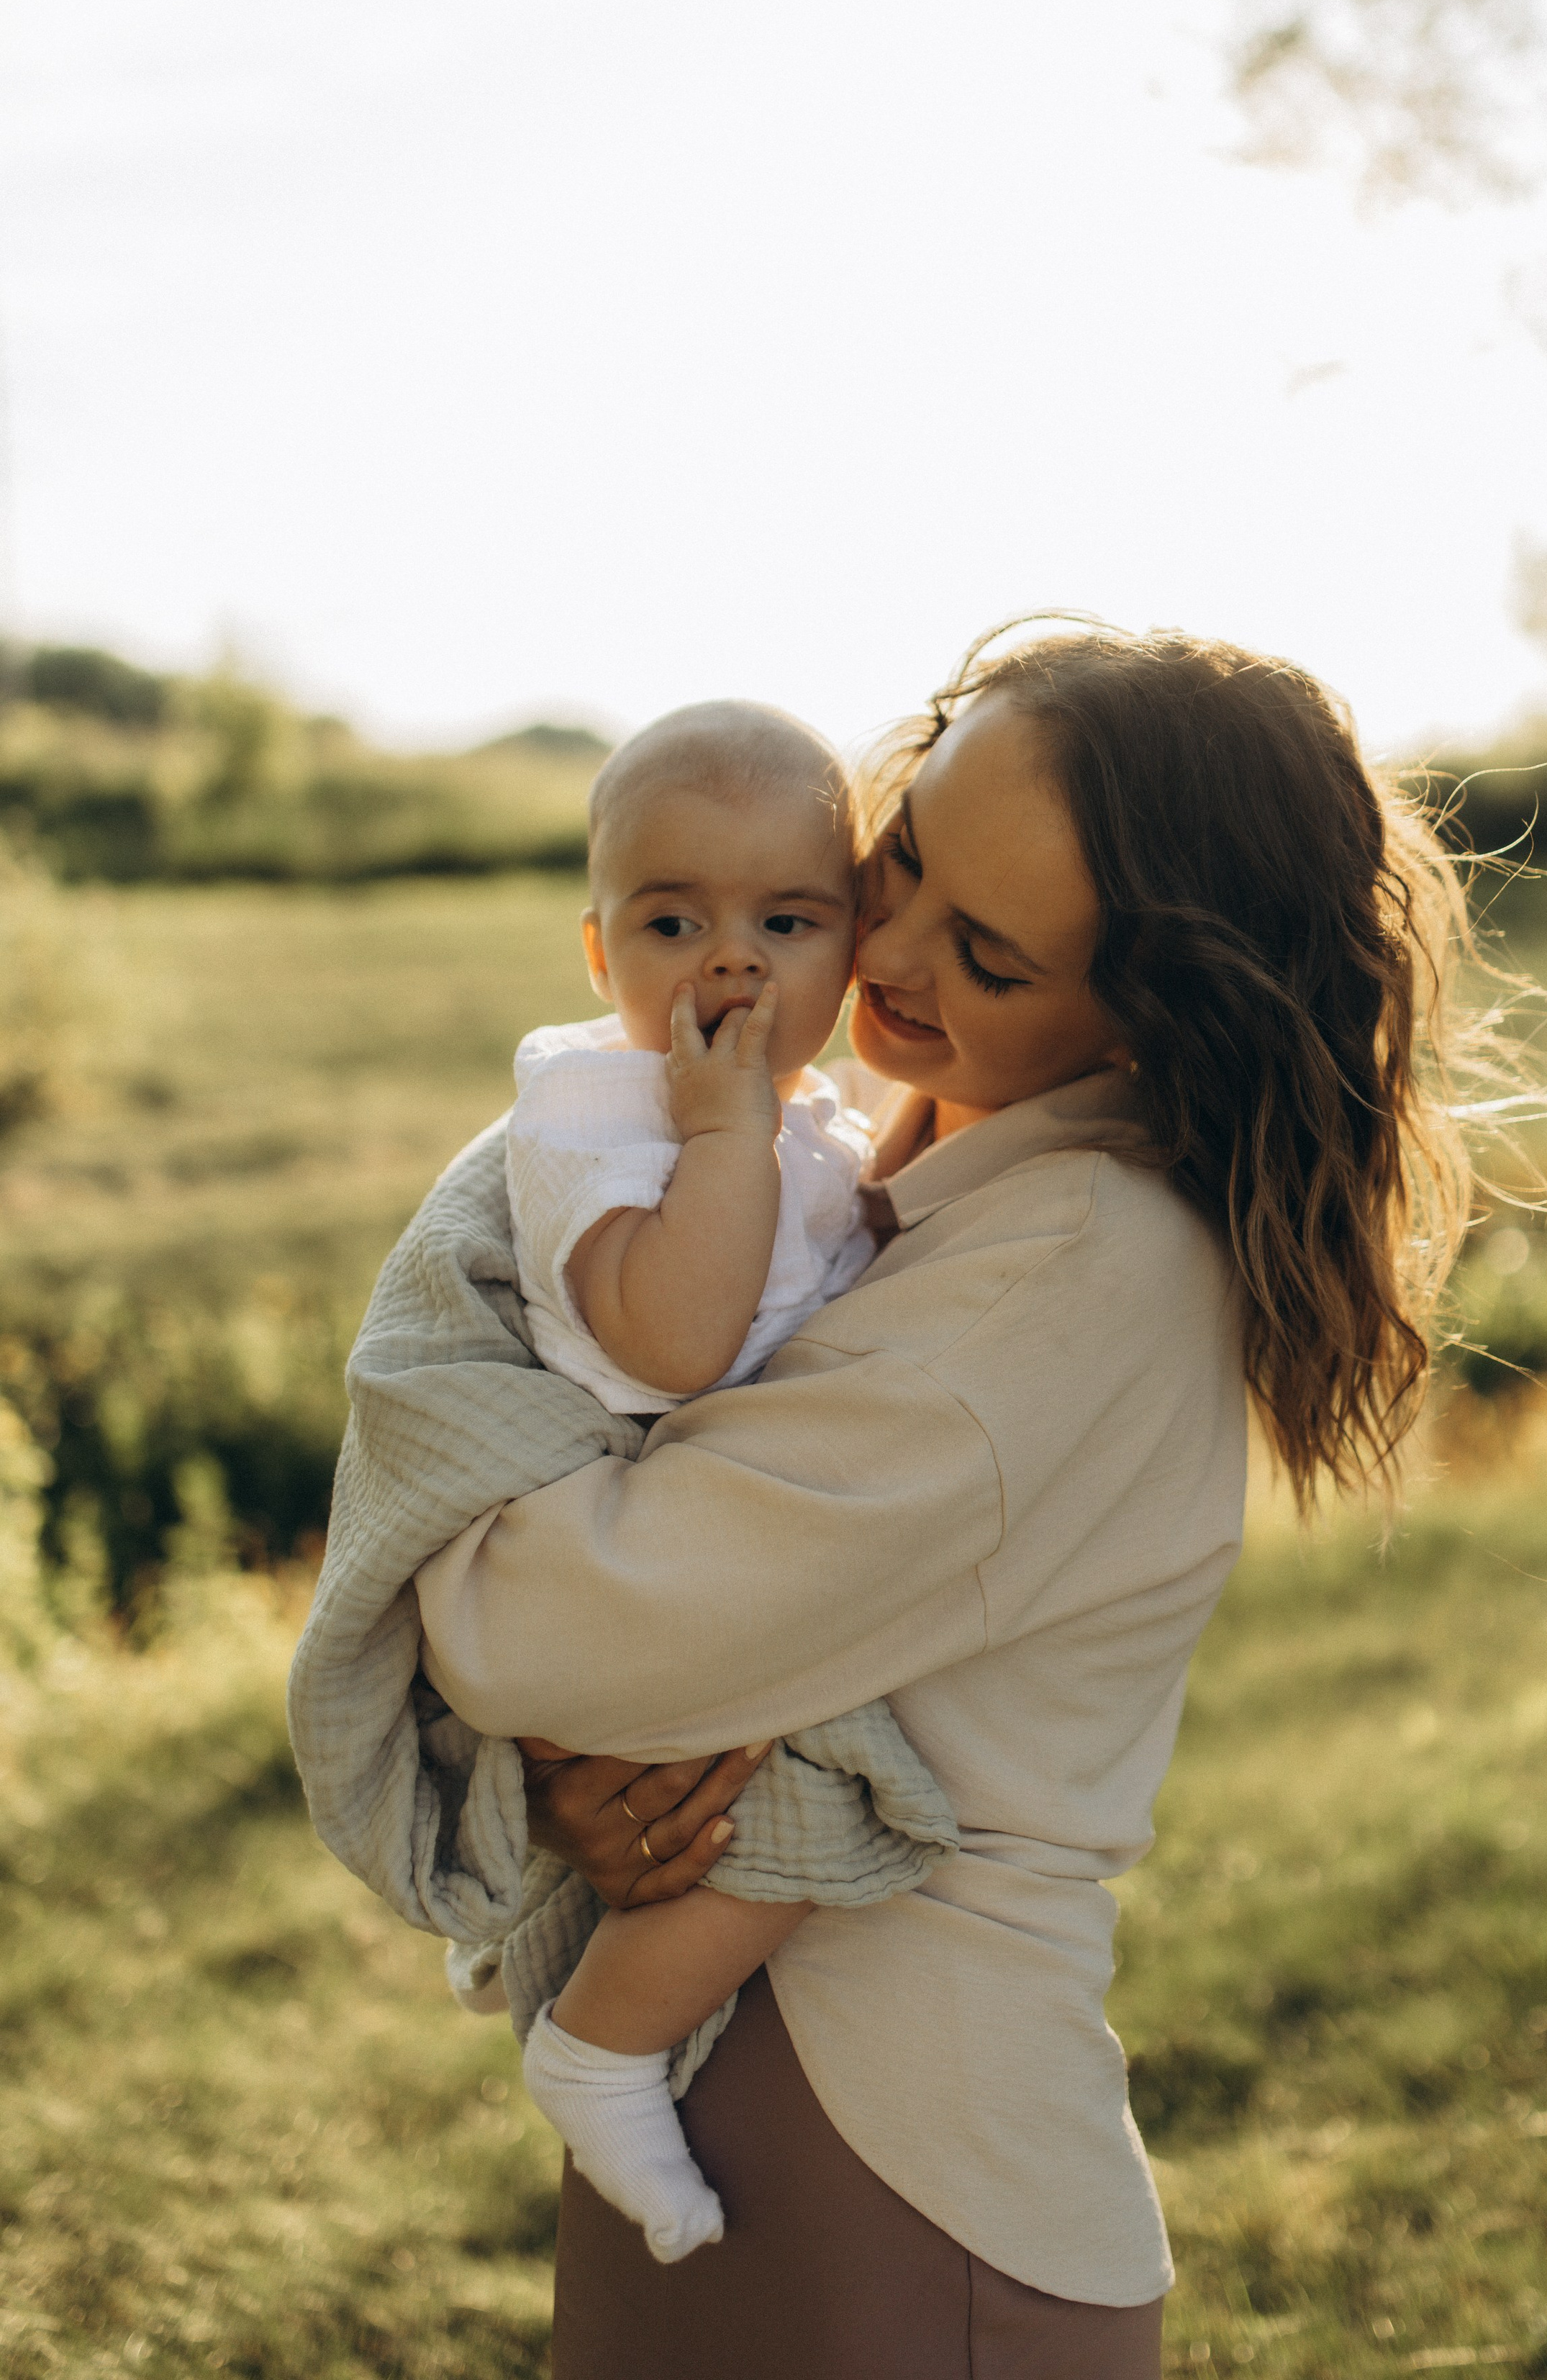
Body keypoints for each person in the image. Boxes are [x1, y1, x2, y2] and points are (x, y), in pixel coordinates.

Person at [399, 621, 1484, 2378]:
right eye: (898, 853)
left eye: (981, 950)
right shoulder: (879, 1162)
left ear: (1152, 1012)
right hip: (734, 2080)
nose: (883, 947)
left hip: (885, 2157)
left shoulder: (1067, 1270)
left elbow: (536, 1627)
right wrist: (584, 1780)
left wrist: (508, 1645)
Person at [496, 698, 958, 2262]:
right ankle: (599, 2045)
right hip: (627, 1522)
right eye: (672, 918)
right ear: (596, 954)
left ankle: (556, 1964)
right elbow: (683, 1342)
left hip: (689, 1523)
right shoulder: (596, 1111)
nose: (732, 959)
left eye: (784, 917)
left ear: (853, 944)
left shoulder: (799, 1119)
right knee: (827, 1788)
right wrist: (722, 1129)